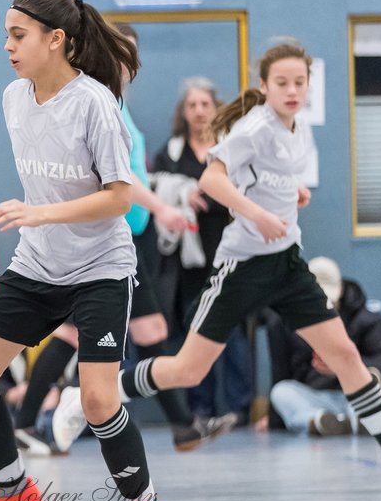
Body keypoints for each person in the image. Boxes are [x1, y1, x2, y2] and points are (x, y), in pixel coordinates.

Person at [69, 43, 381, 465]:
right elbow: (213, 181)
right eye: (282, 83)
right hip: (243, 266)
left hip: (288, 264)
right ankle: (91, 395)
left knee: (346, 354)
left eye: (299, 82)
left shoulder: (297, 126)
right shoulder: (254, 127)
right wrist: (258, 214)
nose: (292, 90)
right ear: (264, 86)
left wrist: (289, 193)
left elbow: (262, 176)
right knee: (188, 369)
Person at [0, 0, 164, 501]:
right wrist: (38, 222)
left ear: (56, 39)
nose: (8, 46)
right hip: (38, 264)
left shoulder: (96, 103)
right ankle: (13, 487)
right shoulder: (14, 98)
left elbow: (119, 199)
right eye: (7, 34)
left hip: (100, 267)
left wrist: (39, 212)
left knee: (97, 400)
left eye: (18, 36)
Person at [30, 27, 234, 453]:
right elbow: (119, 177)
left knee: (103, 331)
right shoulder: (99, 103)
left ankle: (30, 417)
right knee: (133, 330)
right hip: (112, 236)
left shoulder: (115, 102)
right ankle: (174, 424)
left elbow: (135, 172)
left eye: (134, 55)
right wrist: (163, 208)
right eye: (122, 53)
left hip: (128, 236)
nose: (130, 63)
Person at [150, 77, 250, 426]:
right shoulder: (173, 151)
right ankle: (201, 408)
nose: (199, 111)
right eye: (191, 105)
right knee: (196, 332)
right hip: (190, 262)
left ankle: (241, 407)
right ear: (184, 112)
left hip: (230, 253)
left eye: (205, 104)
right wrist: (181, 192)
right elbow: (153, 185)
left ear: (215, 107)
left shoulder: (230, 145)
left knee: (233, 331)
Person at [268, 257, 381, 435]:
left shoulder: (366, 319)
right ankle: (322, 422)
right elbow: (280, 373)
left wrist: (344, 367)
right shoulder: (283, 323)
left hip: (356, 392)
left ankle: (360, 420)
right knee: (281, 392)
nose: (325, 308)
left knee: (378, 388)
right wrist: (274, 419)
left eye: (329, 301)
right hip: (315, 395)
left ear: (340, 289)